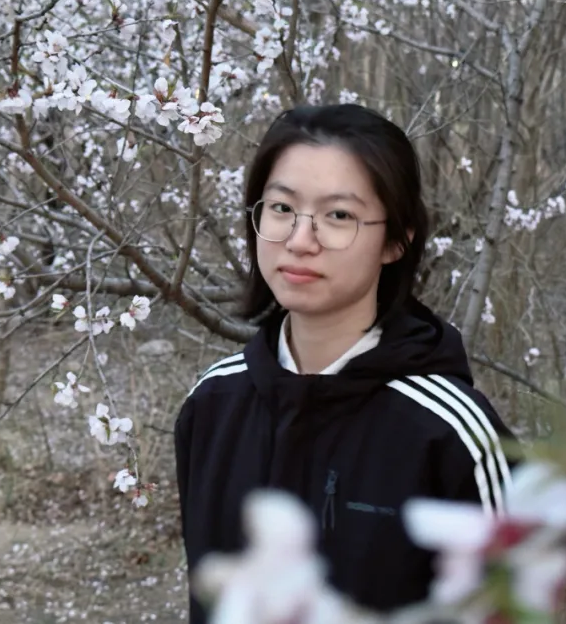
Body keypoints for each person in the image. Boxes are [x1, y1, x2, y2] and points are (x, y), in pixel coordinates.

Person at [174, 104, 515, 622]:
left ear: (396, 240)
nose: (299, 241)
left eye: (339, 216)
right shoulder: (213, 404)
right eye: (281, 208)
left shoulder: (452, 433)